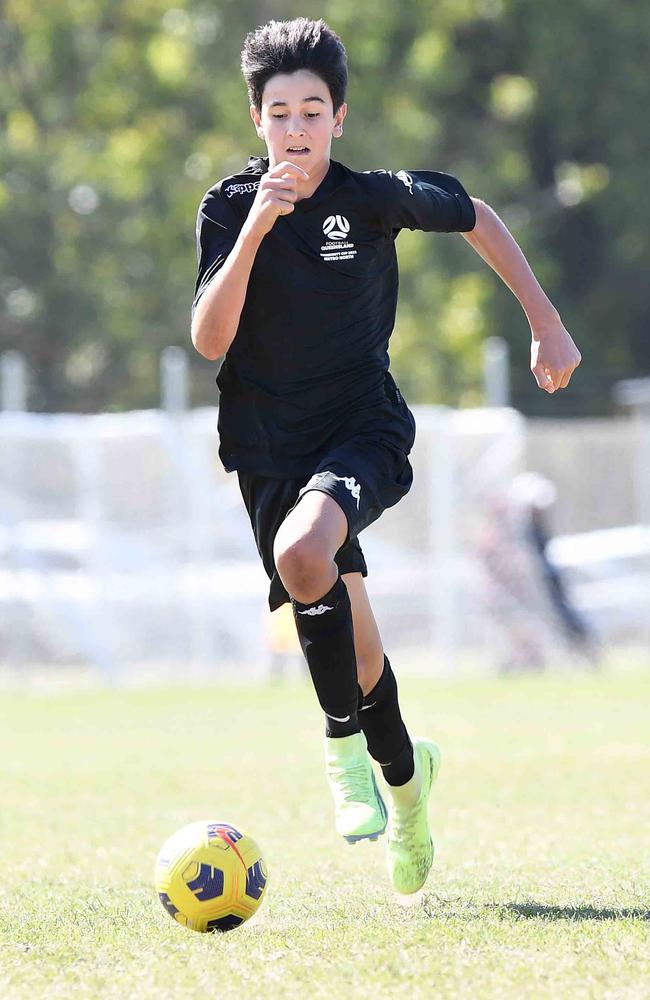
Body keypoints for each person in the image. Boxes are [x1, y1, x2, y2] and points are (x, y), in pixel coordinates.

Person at [190, 17, 581, 894]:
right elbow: (211, 341)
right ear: (257, 120)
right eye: (280, 111)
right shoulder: (227, 205)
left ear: (340, 118)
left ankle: (340, 753)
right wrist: (254, 230)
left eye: (313, 110)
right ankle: (409, 791)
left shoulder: (372, 198)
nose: (296, 127)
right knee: (359, 652)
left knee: (303, 554)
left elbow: (476, 213)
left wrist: (546, 322)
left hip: (362, 427)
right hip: (266, 448)